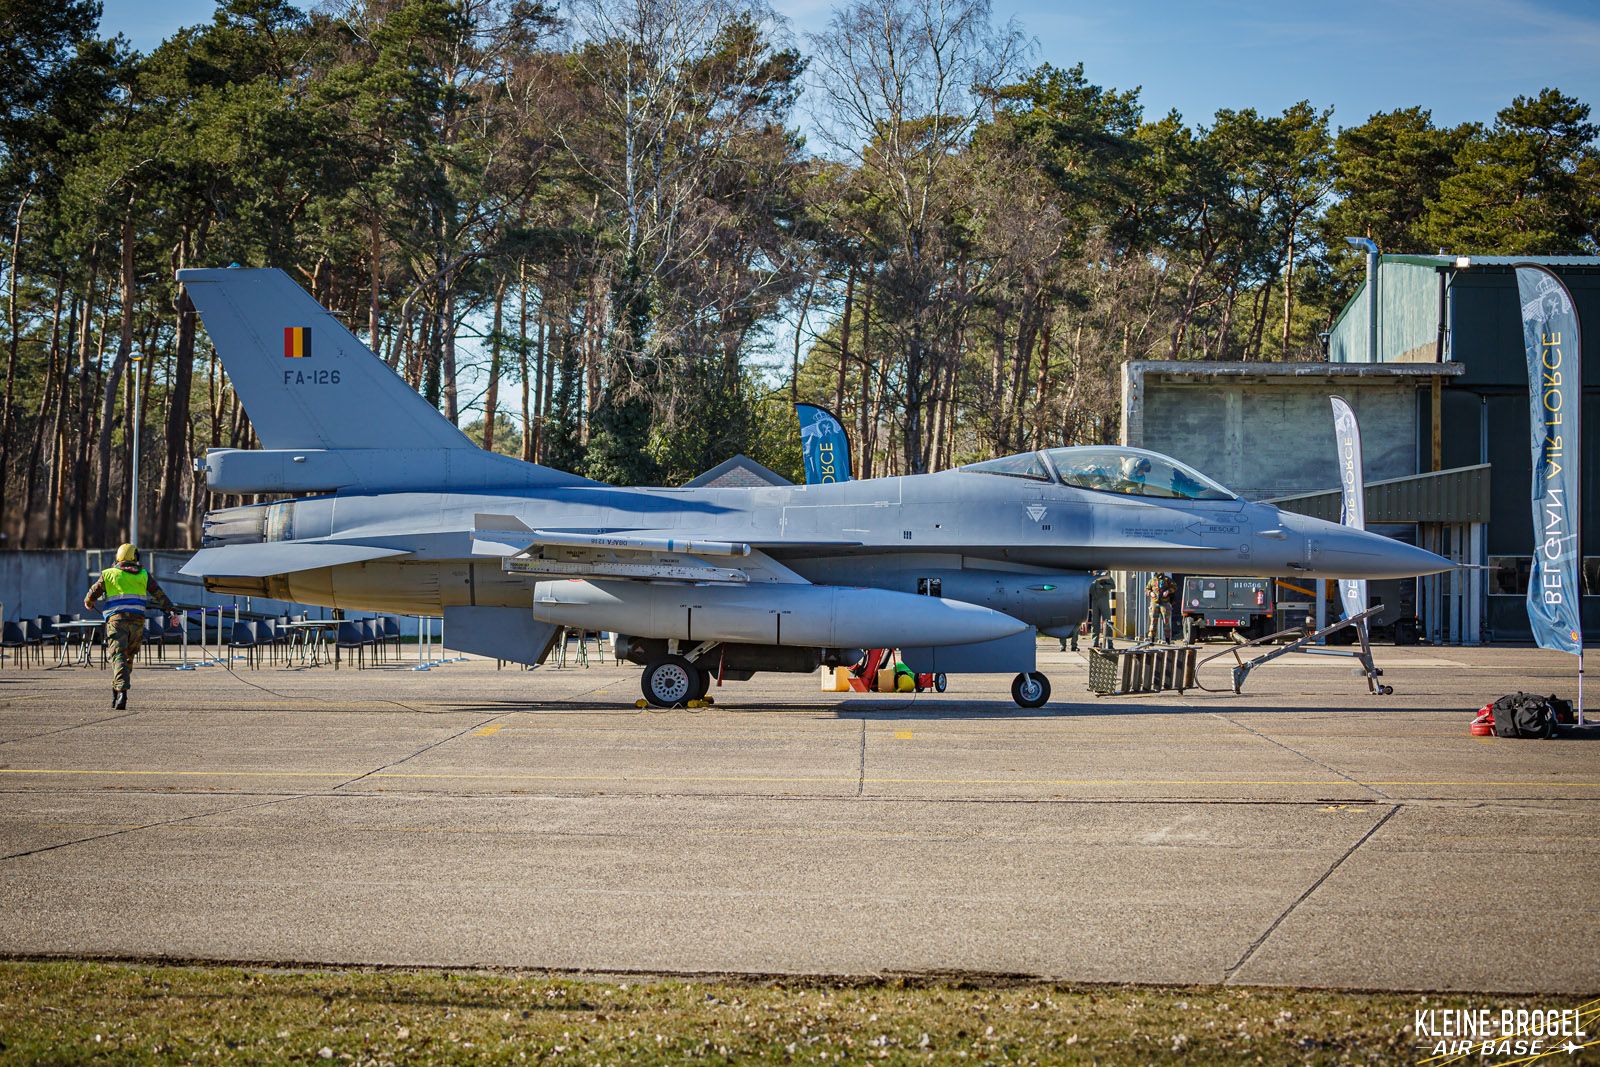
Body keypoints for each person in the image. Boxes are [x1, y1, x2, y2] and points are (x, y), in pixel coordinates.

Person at [84, 543, 177, 708]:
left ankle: (121, 693)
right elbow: (159, 595)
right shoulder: (143, 575)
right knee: (128, 657)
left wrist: (90, 604)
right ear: (135, 557)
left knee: (117, 655)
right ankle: (117, 690)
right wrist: (171, 613)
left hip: (116, 622)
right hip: (137, 622)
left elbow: (91, 595)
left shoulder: (108, 574)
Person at [1144, 572, 1176, 644]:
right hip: (1154, 603)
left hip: (1165, 603)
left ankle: (1167, 640)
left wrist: (1168, 591)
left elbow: (1174, 587)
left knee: (1166, 622)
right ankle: (1151, 639)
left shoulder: (1167, 580)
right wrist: (1150, 592)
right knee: (1153, 622)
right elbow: (1146, 589)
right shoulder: (1152, 580)